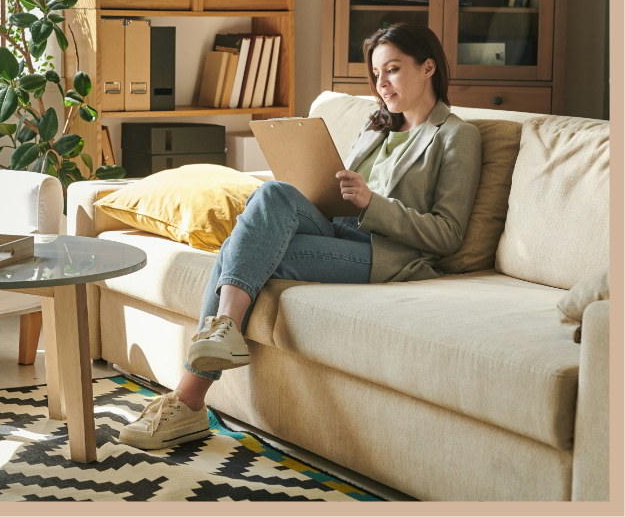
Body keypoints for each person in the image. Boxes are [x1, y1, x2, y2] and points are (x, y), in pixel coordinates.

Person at [119, 22, 482, 450]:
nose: (382, 84)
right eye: (377, 73)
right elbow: (335, 193)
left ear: (428, 68)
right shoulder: (376, 127)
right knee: (272, 193)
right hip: (336, 228)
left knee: (243, 249)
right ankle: (219, 339)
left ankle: (190, 396)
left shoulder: (457, 136)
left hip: (385, 254)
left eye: (394, 70)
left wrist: (372, 203)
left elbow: (448, 233)